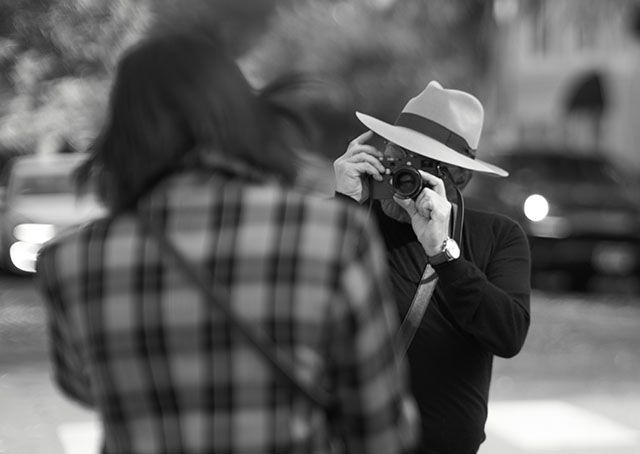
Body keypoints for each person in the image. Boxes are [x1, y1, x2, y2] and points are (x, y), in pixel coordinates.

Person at [35, 26, 418, 454]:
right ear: (241, 116)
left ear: (124, 133)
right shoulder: (332, 237)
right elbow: (382, 428)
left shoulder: (69, 262)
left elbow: (86, 387)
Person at [333, 80, 531, 454]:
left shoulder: (498, 236)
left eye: (423, 164)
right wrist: (344, 206)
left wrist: (444, 252)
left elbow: (508, 335)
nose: (404, 174)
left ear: (461, 179)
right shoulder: (350, 221)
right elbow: (305, 304)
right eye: (398, 153)